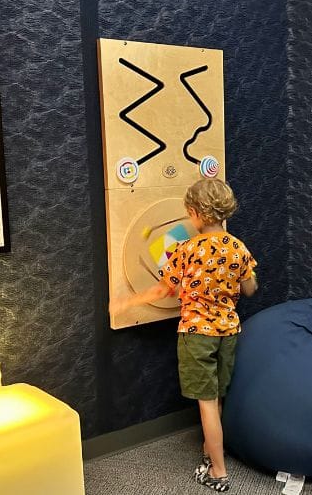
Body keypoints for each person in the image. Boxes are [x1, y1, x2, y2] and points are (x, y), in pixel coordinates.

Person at [109, 178, 257, 493]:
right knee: (216, 398)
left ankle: (218, 472)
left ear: (194, 213)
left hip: (196, 333)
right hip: (228, 332)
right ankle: (210, 451)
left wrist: (126, 302)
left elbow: (163, 289)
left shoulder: (187, 249)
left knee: (205, 403)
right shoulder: (238, 247)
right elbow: (250, 288)